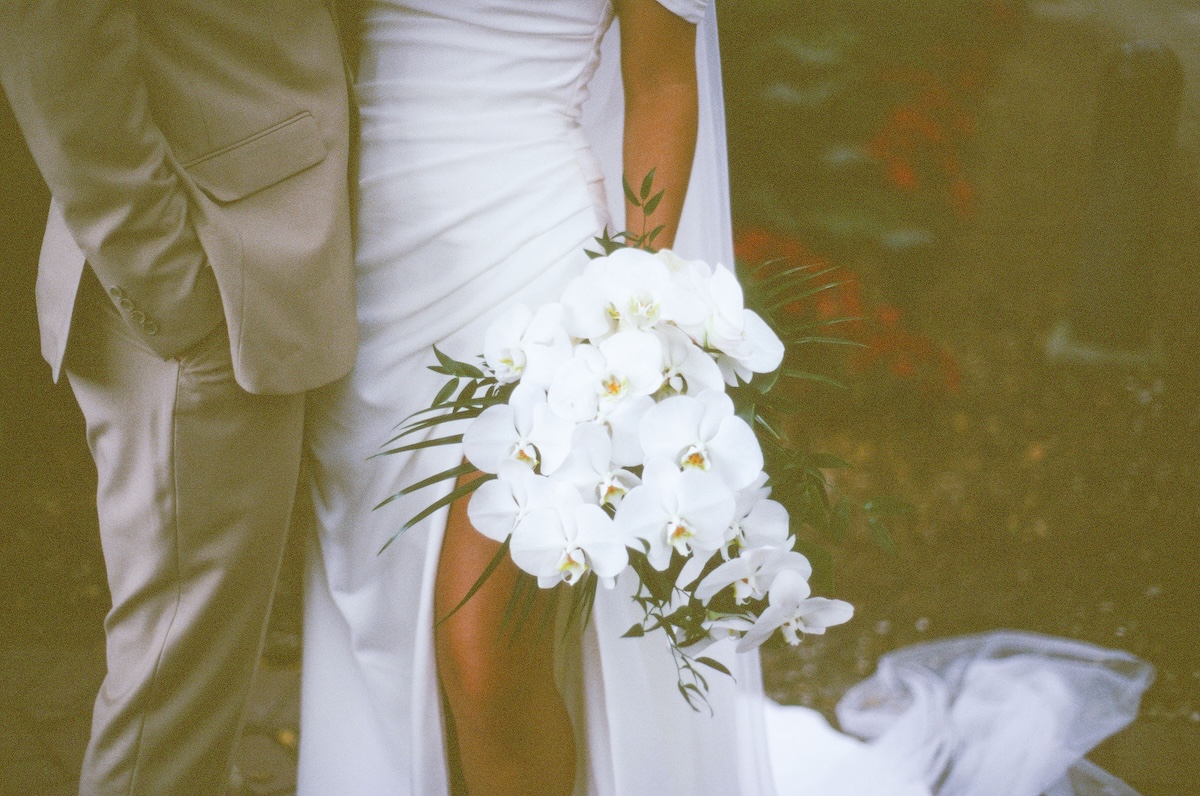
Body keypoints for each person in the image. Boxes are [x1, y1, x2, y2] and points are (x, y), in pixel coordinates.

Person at [298, 1, 777, 794]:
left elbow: (660, 84)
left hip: (533, 268)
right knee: (394, 633)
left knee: (483, 652)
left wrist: (630, 315)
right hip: (368, 265)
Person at [0, 2, 357, 793]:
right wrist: (175, 290)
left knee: (196, 692)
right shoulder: (193, 300)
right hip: (202, 290)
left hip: (244, 261)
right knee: (170, 706)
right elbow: (55, 48)